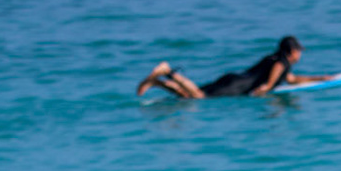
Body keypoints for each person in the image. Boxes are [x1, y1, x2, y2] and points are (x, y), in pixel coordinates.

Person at [136, 37, 325, 99]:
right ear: (291, 51)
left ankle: (157, 83)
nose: (300, 54)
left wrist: (321, 78)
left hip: (234, 79)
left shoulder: (274, 58)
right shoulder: (281, 62)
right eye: (299, 51)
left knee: (188, 95)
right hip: (237, 86)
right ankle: (168, 71)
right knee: (199, 97)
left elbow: (292, 79)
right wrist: (267, 87)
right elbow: (278, 71)